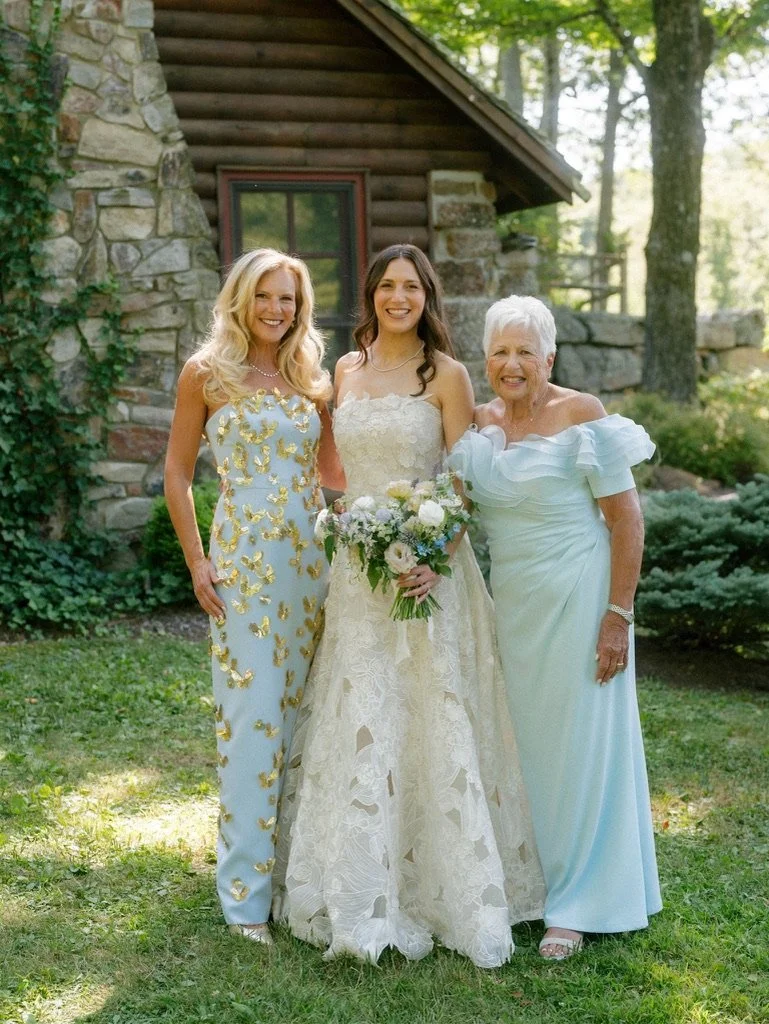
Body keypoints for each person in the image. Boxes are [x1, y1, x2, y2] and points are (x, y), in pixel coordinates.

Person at [272, 245, 545, 968]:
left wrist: (428, 555)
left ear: (428, 296)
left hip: (428, 575)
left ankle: (439, 888)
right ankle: (358, 883)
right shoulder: (345, 370)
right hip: (358, 576)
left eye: (411, 287)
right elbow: (337, 471)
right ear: (371, 295)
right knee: (360, 714)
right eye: (387, 286)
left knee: (429, 715)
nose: (399, 297)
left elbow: (462, 484)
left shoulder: (448, 376)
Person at [449, 295, 662, 961]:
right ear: (485, 359)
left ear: (549, 357)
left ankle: (576, 904)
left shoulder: (581, 416)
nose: (511, 365)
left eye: (524, 352)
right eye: (499, 352)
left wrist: (616, 617)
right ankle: (530, 885)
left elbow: (626, 521)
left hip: (578, 597)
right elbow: (453, 516)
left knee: (577, 749)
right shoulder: (477, 425)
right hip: (511, 607)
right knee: (523, 748)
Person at [164, 248, 344, 945]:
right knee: (252, 721)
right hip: (241, 567)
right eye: (266, 297)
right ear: (241, 299)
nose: (278, 310)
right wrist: (197, 562)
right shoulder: (206, 374)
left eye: (290, 300)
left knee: (304, 718)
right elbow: (177, 476)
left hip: (310, 566)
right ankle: (244, 898)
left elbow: (333, 472)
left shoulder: (311, 379)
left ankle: (298, 879)